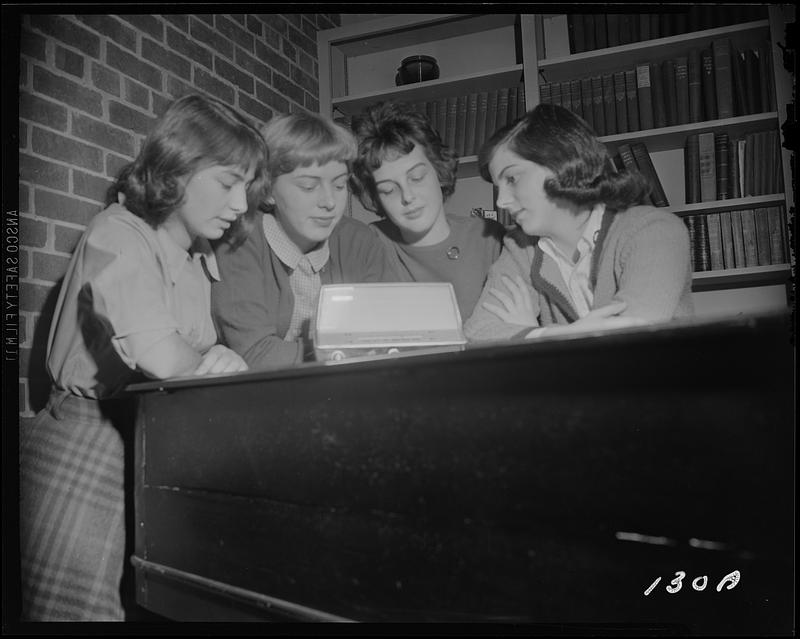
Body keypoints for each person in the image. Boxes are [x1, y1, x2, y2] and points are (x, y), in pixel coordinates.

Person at [19, 93, 269, 621]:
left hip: (156, 439)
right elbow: (162, 355)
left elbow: (196, 355)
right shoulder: (117, 232)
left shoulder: (198, 256)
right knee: (75, 612)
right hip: (88, 439)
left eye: (246, 187)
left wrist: (221, 356)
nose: (242, 204)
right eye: (228, 183)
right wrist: (215, 361)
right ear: (177, 169)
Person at [464, 103, 694, 342]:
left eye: (512, 178)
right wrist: (559, 334)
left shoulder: (654, 230)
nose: (501, 201)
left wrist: (528, 336)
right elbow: (478, 333)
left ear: (560, 162)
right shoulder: (519, 248)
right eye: (497, 187)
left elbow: (632, 341)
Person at [211, 111, 399, 369]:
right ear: (268, 191)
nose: (330, 203)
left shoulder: (361, 241)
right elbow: (255, 353)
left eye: (340, 185)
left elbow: (388, 339)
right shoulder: (240, 239)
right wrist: (344, 351)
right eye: (309, 187)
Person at [349, 101, 505, 322]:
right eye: (389, 190)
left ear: (439, 170)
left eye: (417, 178)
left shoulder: (489, 237)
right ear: (375, 198)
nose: (407, 196)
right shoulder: (369, 244)